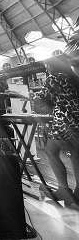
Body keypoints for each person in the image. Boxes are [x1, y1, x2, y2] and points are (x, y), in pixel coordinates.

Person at [34, 57, 79, 207]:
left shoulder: (53, 78)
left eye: (47, 66)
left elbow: (40, 101)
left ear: (53, 66)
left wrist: (33, 98)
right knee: (75, 154)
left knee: (50, 150)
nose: (46, 69)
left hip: (65, 122)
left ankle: (63, 190)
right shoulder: (73, 77)